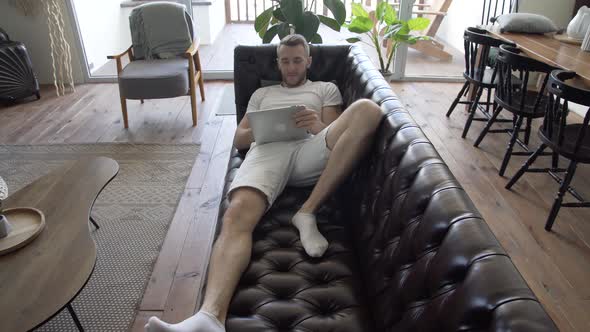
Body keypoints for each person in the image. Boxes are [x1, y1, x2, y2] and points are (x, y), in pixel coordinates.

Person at [145, 34, 383, 332]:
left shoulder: (325, 88)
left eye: (298, 60)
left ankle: (306, 211)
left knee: (368, 109)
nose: (292, 67)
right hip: (268, 150)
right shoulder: (261, 94)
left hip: (311, 151)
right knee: (236, 214)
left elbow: (334, 134)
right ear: (278, 63)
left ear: (308, 61)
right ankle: (209, 317)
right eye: (286, 61)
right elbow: (239, 138)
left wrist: (316, 125)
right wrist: (261, 129)